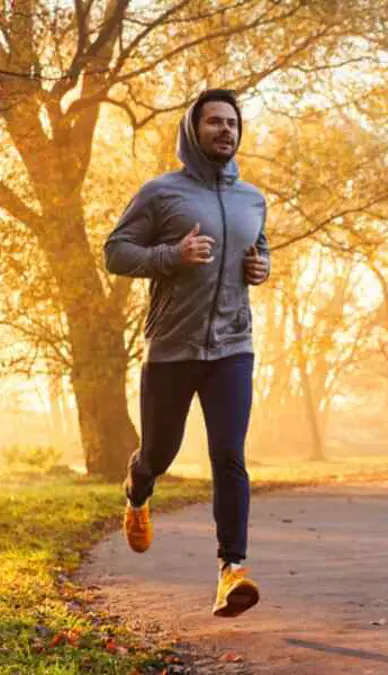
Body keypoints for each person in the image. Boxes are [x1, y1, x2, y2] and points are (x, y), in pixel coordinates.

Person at [103, 89, 270, 618]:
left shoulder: (252, 199)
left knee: (229, 454)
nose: (226, 130)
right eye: (215, 122)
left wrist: (261, 267)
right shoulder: (161, 193)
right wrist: (171, 256)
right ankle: (137, 489)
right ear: (192, 131)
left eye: (232, 123)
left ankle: (231, 570)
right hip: (172, 347)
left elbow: (258, 248)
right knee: (160, 452)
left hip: (232, 347)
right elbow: (116, 252)